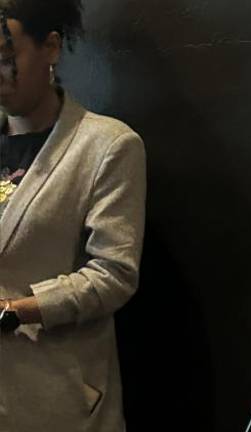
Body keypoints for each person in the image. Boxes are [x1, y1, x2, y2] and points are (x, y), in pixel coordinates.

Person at [0, 1, 145, 430]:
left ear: (50, 47)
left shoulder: (107, 146)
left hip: (54, 402)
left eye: (6, 60)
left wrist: (15, 309)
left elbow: (113, 274)